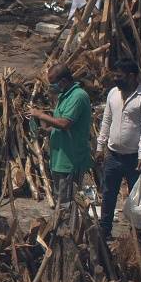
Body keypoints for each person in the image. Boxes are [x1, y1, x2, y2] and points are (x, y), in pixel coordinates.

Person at [94, 60, 141, 230]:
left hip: (134, 158)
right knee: (108, 194)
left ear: (132, 76)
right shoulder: (113, 93)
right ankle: (105, 230)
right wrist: (100, 146)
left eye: (119, 76)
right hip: (113, 155)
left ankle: (136, 234)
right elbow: (106, 121)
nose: (115, 79)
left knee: (135, 199)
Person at [43, 64, 94, 211]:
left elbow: (65, 123)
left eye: (53, 82)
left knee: (68, 204)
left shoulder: (78, 96)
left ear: (63, 81)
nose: (51, 86)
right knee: (62, 200)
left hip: (71, 160)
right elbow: (64, 123)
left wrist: (41, 115)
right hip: (59, 158)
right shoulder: (64, 96)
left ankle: (69, 232)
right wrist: (48, 131)